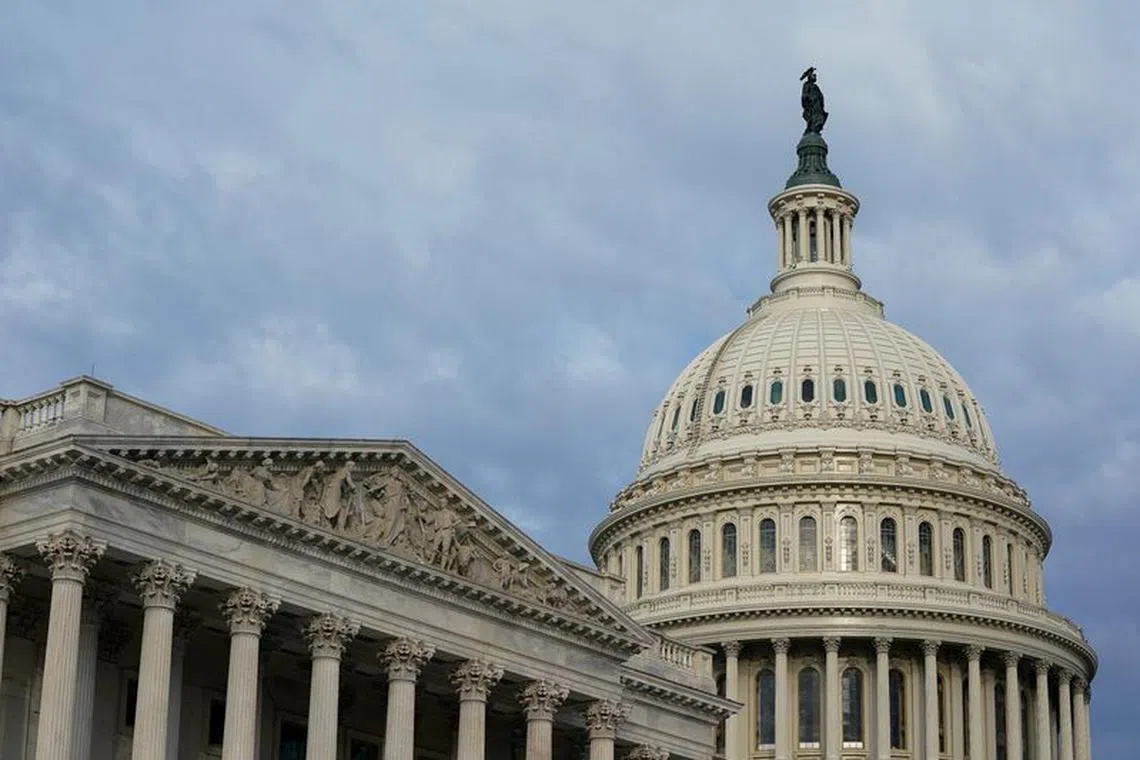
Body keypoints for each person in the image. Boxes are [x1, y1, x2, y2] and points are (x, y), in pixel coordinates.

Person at [800, 67, 828, 134]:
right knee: (813, 117)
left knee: (819, 116)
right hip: (812, 104)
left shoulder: (815, 86)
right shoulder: (807, 85)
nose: (815, 77)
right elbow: (804, 95)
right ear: (809, 76)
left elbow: (820, 96)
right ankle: (812, 128)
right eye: (813, 75)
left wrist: (820, 100)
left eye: (815, 76)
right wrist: (808, 99)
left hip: (817, 104)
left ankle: (816, 128)